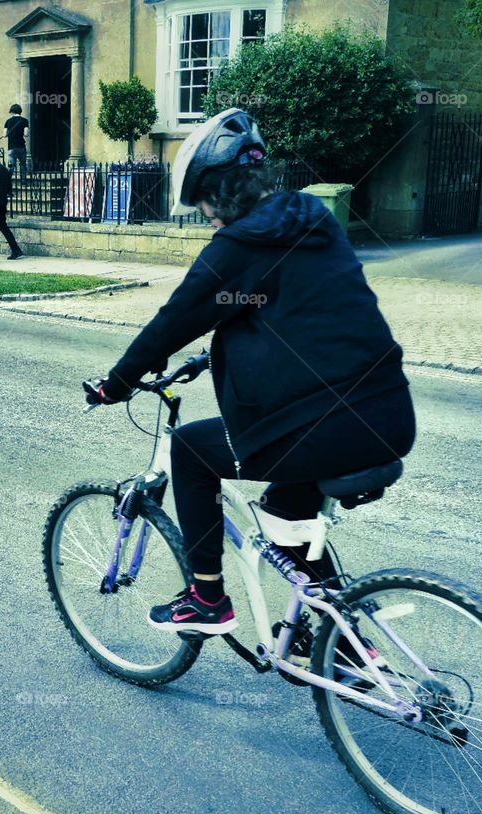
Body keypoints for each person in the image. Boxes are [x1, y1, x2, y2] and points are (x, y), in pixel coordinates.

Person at [85, 109, 416, 636]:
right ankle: (346, 643)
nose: (206, 217)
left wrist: (116, 383)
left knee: (192, 453)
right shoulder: (314, 217)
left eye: (201, 205)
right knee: (286, 516)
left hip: (317, 426)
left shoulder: (238, 247)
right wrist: (218, 355)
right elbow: (303, 314)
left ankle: (206, 598)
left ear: (214, 191)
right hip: (388, 414)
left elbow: (174, 321)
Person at [4, 104, 29, 186]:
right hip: (21, 146)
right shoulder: (25, 121)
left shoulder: (8, 121)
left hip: (11, 147)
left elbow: (4, 135)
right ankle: (23, 182)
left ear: (12, 112)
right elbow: (26, 134)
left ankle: (7, 182)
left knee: (11, 166)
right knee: (23, 164)